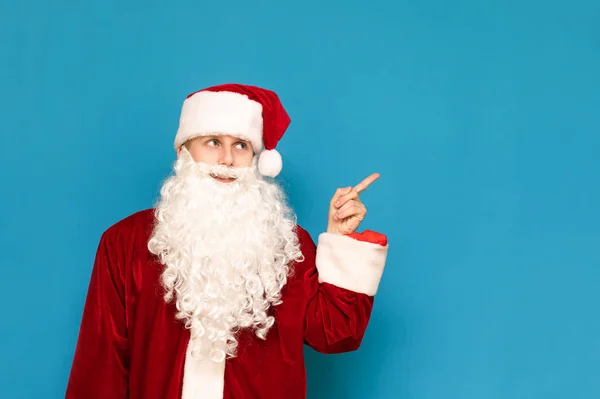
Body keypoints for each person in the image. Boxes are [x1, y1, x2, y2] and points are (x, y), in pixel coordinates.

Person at [65, 83, 389, 399]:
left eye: (240, 145)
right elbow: (102, 363)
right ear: (183, 152)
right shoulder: (124, 242)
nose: (227, 160)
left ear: (256, 159)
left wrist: (340, 238)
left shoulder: (287, 244)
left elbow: (334, 333)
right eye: (212, 142)